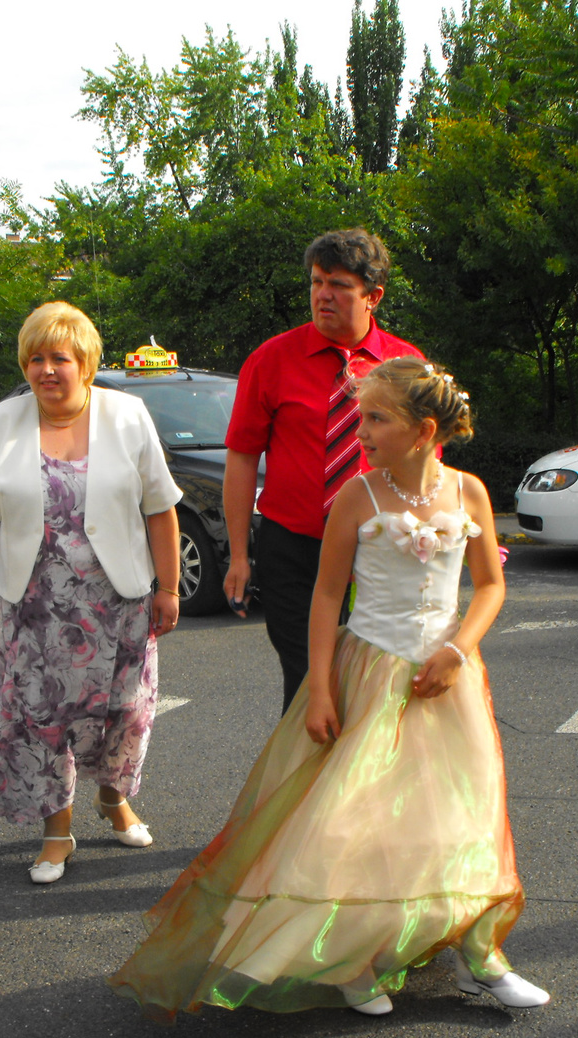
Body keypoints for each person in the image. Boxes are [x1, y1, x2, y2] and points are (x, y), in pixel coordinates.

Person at [110, 357, 549, 1021]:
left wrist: (458, 650)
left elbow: (489, 584)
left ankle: (481, 953)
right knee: (353, 821)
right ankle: (350, 958)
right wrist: (320, 688)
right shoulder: (358, 497)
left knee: (460, 820)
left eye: (377, 418)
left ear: (424, 429)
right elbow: (324, 595)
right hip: (368, 672)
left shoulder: (471, 493)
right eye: (361, 416)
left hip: (447, 681)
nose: (360, 430)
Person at [0, 302, 182, 885]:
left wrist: (169, 588)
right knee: (41, 718)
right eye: (35, 358)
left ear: (87, 363)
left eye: (59, 358)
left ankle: (113, 798)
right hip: (34, 608)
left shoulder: (128, 416)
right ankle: (56, 831)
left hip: (118, 602)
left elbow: (161, 509)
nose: (46, 370)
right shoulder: (2, 421)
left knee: (126, 713)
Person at [223, 228, 423, 713]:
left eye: (338, 284)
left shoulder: (405, 364)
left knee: (375, 679)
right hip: (294, 548)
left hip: (380, 546)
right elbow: (242, 456)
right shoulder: (271, 361)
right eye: (316, 282)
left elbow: (425, 461)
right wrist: (237, 555)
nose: (322, 295)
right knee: (311, 682)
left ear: (373, 296)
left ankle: (360, 784)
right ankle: (306, 783)